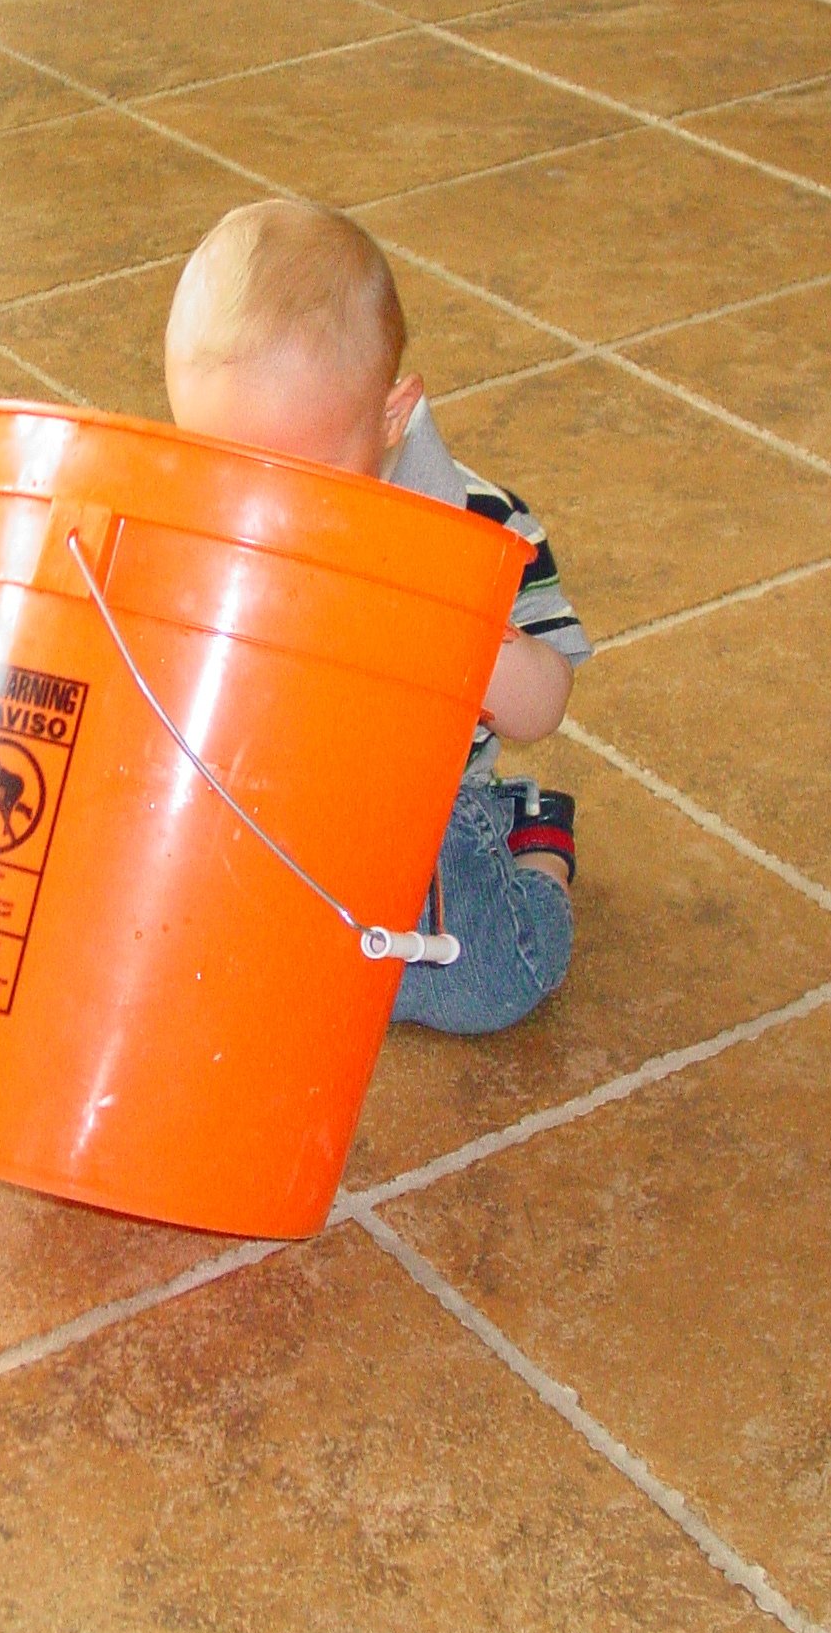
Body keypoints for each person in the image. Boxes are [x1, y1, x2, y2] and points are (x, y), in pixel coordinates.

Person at [163, 197, 592, 1036]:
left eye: (303, 474)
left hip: (417, 813)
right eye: (225, 462)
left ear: (391, 416)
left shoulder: (475, 526)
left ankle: (534, 851)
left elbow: (543, 705)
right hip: (265, 795)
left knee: (481, 984)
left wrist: (454, 624)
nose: (265, 504)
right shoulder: (208, 512)